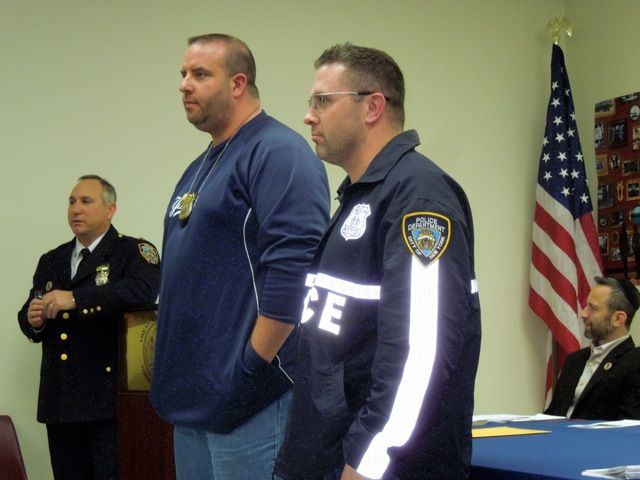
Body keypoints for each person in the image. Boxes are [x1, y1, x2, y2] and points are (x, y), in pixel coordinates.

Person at [275, 43, 481, 480]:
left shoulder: (419, 200)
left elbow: (420, 353)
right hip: (327, 453)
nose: (309, 116)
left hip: (376, 466)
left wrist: (368, 462)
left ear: (372, 107)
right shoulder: (362, 194)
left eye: (322, 102)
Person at [149, 33, 330, 479]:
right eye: (183, 74)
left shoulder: (278, 152)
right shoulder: (202, 165)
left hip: (250, 400)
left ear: (237, 83)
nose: (184, 85)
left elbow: (296, 269)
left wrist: (251, 367)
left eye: (200, 74)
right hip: (195, 401)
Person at [18, 175, 161, 480]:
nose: (76, 210)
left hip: (105, 401)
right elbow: (30, 312)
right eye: (71, 202)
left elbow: (143, 291)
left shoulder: (132, 252)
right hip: (59, 400)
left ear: (111, 209)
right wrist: (33, 320)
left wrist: (76, 298)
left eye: (86, 201)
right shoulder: (52, 259)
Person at [544, 277, 640, 420]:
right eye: (586, 305)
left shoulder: (634, 362)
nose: (583, 314)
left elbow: (629, 427)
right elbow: (552, 414)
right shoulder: (575, 360)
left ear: (618, 319)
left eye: (593, 308)